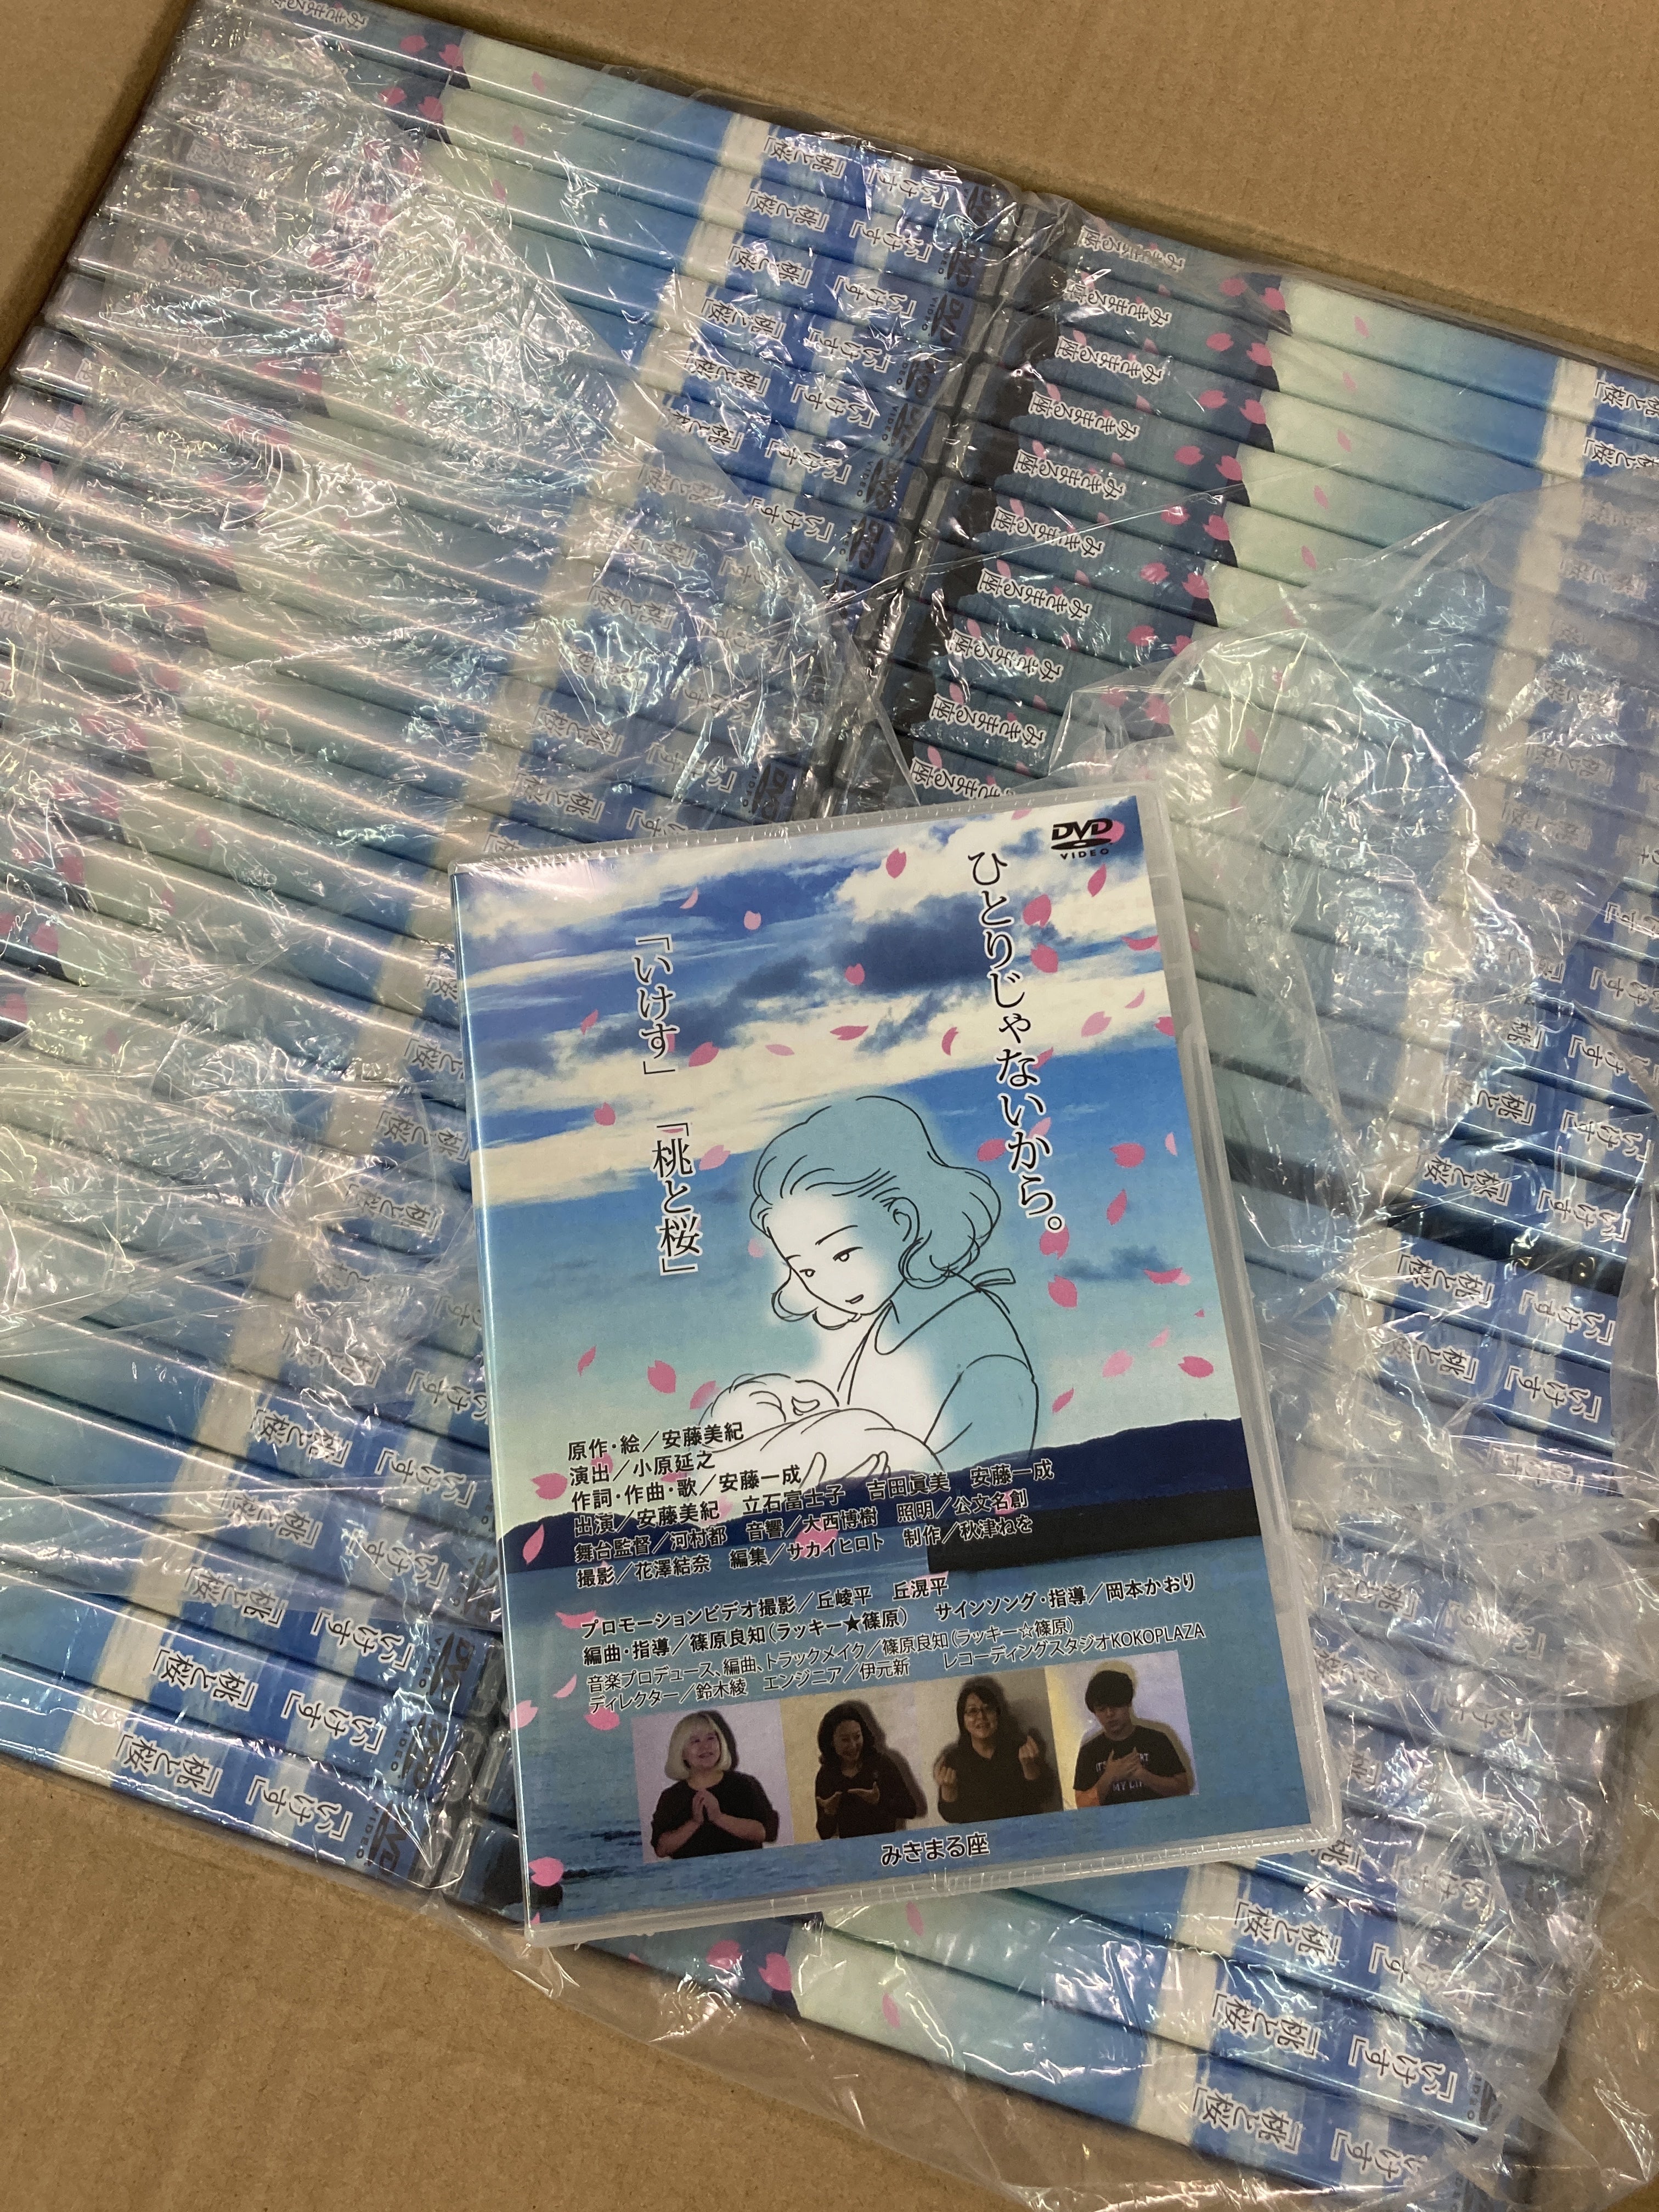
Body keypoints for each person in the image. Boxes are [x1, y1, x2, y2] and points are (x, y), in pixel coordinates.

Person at [747, 1094, 1039, 1475]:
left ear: (902, 1220)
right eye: (807, 1271)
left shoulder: (977, 1344)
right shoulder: (887, 1325)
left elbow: (988, 1476)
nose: (829, 1285)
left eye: (842, 1254)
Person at [650, 1711, 781, 1859]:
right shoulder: (672, 1797)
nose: (705, 1746)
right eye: (695, 1741)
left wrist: (719, 1818)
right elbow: (661, 1849)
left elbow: (766, 1833)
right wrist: (694, 1823)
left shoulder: (744, 1785)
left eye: (711, 1738)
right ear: (682, 1753)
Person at [932, 1675, 1054, 1824]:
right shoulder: (954, 1760)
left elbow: (1045, 1796)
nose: (981, 1716)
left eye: (988, 1709)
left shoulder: (1021, 1749)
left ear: (998, 1714)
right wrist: (948, 1790)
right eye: (972, 1711)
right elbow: (952, 1817)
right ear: (962, 1720)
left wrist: (1029, 1767)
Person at [1071, 1668, 1194, 1805]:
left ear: (1128, 1703)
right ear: (1094, 1712)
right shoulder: (1089, 1752)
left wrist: (1142, 1775)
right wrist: (1109, 1776)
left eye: (1116, 1706)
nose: (1110, 1714)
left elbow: (1184, 1789)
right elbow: (1082, 1806)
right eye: (1102, 1709)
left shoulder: (1157, 1740)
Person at [812, 1702, 922, 1839]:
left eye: (857, 1737)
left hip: (887, 1845)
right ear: (831, 1742)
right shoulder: (826, 1775)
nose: (853, 1746)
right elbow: (824, 1833)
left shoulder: (882, 1764)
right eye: (845, 1740)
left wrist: (879, 1800)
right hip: (852, 1849)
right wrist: (829, 1812)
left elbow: (911, 1810)